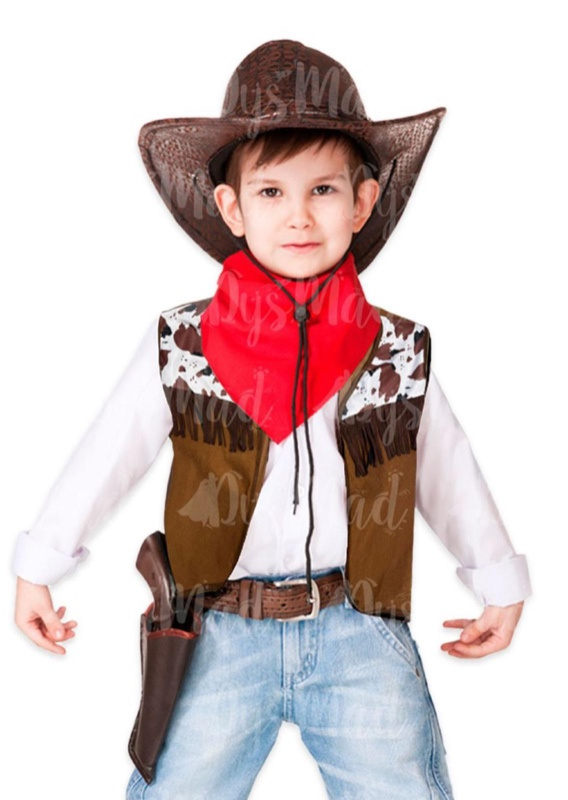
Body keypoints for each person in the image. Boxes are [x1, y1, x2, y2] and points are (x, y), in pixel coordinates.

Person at [13, 39, 532, 800]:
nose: (298, 215)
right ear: (232, 207)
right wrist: (40, 566)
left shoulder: (395, 349)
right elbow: (108, 454)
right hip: (217, 632)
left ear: (362, 202)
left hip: (357, 627)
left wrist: (497, 577)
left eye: (323, 189)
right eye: (270, 191)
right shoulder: (184, 344)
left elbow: (445, 468)